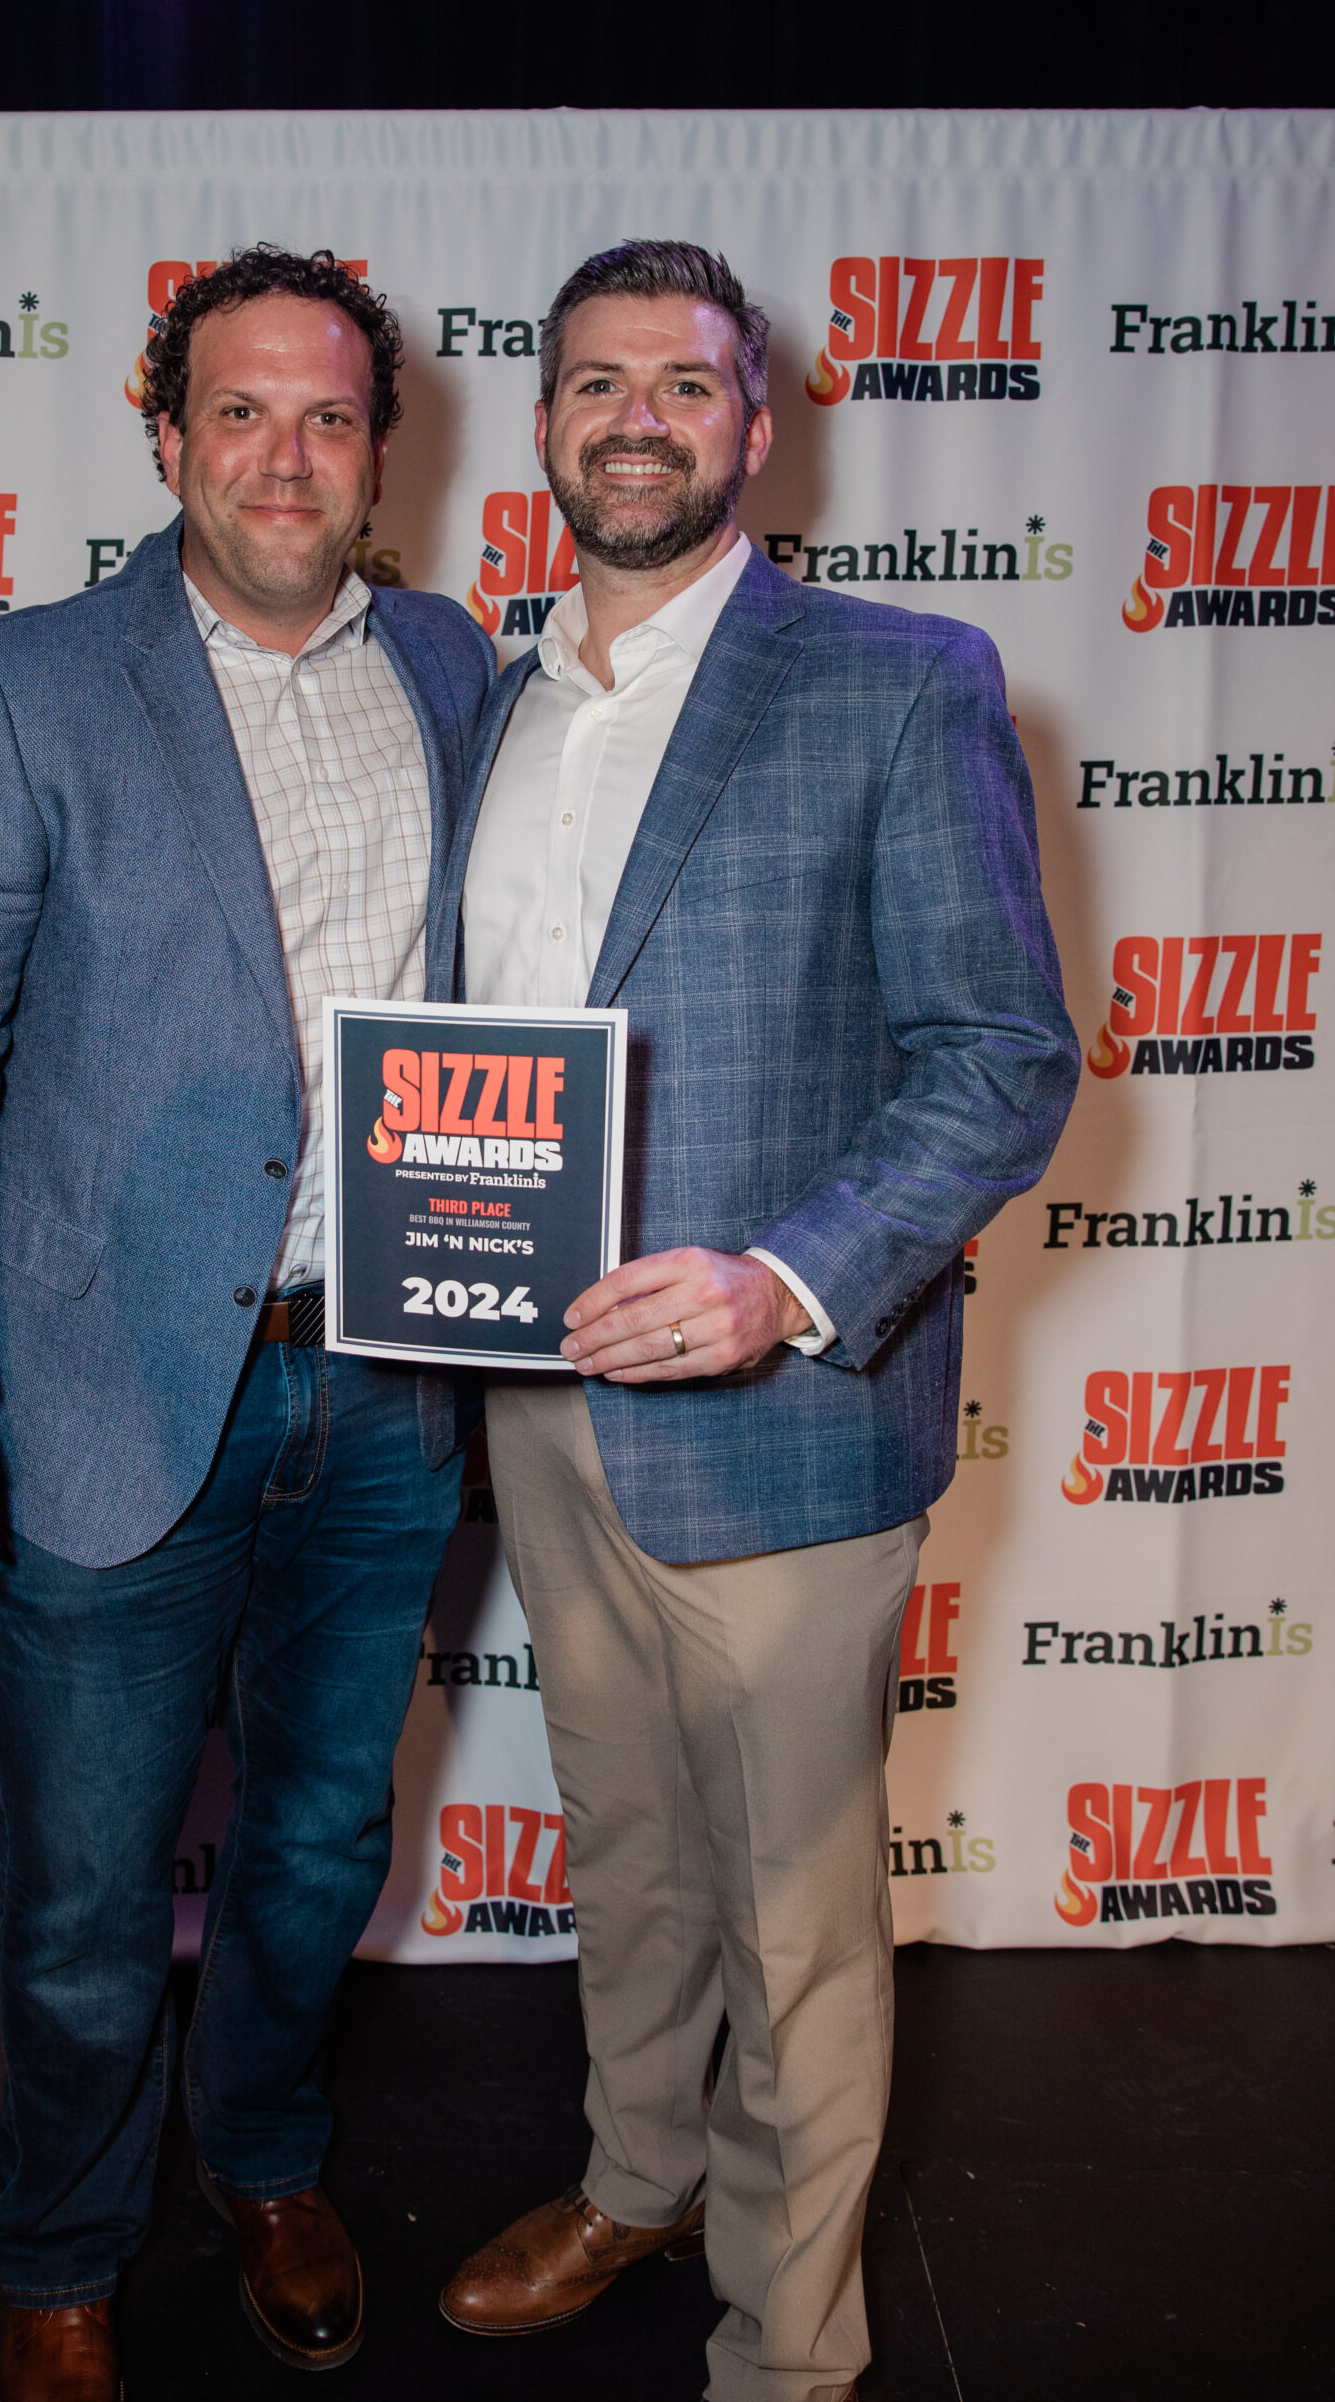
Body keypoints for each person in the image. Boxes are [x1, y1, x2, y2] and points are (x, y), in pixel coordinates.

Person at [0, 245, 493, 2400]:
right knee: (87, 1889)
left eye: (328, 416)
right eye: (239, 411)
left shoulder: (452, 663)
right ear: (165, 437)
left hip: (385, 1382)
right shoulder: (19, 684)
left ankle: (267, 2156)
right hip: (108, 1389)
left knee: (314, 1842)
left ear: (379, 455)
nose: (285, 455)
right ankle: (59, 2252)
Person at [435, 242, 1078, 2402]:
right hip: (543, 1398)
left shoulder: (897, 679)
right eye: (597, 382)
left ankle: (784, 2353)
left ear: (755, 427)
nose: (638, 419)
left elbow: (1000, 1056)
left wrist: (780, 1279)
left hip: (785, 1409)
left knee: (795, 1923)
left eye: (685, 385)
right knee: (625, 1854)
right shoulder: (487, 699)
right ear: (542, 426)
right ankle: (635, 2179)